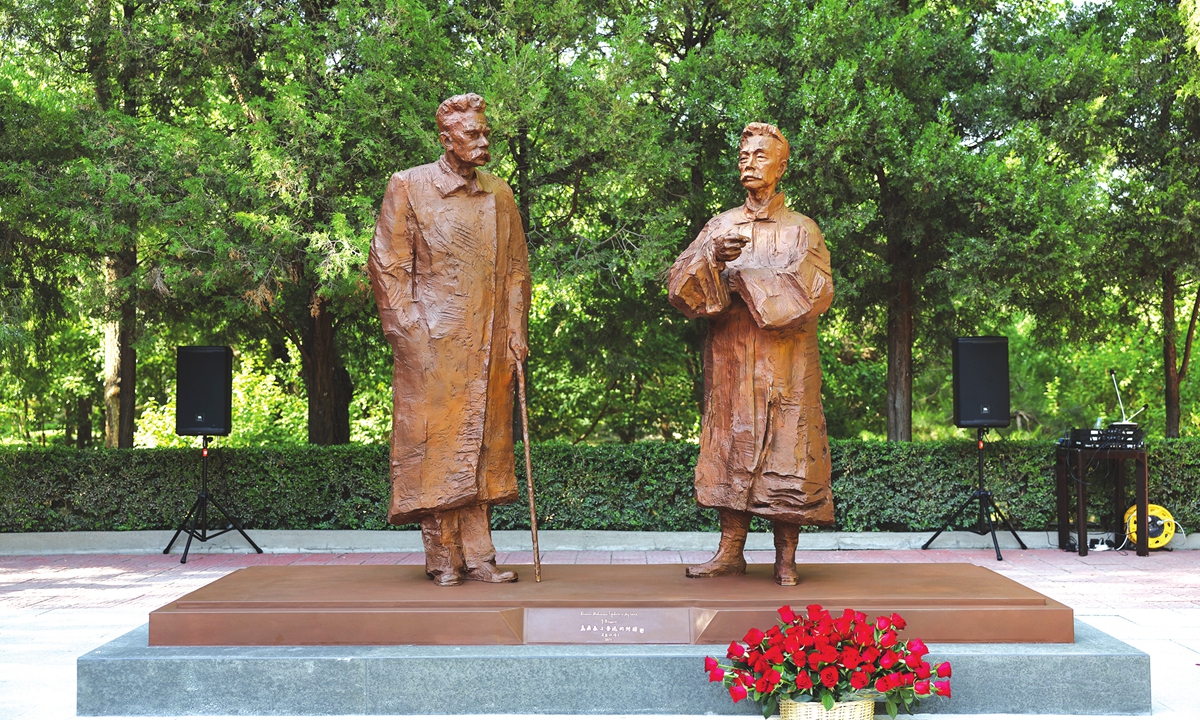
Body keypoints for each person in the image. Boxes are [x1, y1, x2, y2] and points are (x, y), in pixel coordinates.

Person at [368, 93, 530, 586]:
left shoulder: (500, 194)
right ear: (446, 140)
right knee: (436, 450)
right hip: (433, 346)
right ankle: (442, 557)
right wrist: (412, 337)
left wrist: (516, 333)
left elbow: (517, 272)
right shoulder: (409, 186)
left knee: (483, 447)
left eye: (485, 132)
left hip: (489, 346)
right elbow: (386, 267)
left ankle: (480, 557)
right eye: (472, 134)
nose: (483, 141)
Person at [667, 122, 834, 586]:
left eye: (760, 156)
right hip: (733, 360)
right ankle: (729, 551)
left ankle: (786, 557)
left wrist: (746, 279)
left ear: (781, 166)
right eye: (743, 156)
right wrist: (711, 259)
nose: (748, 163)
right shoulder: (720, 225)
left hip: (786, 362)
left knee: (788, 452)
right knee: (730, 446)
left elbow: (815, 291)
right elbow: (679, 290)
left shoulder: (803, 229)